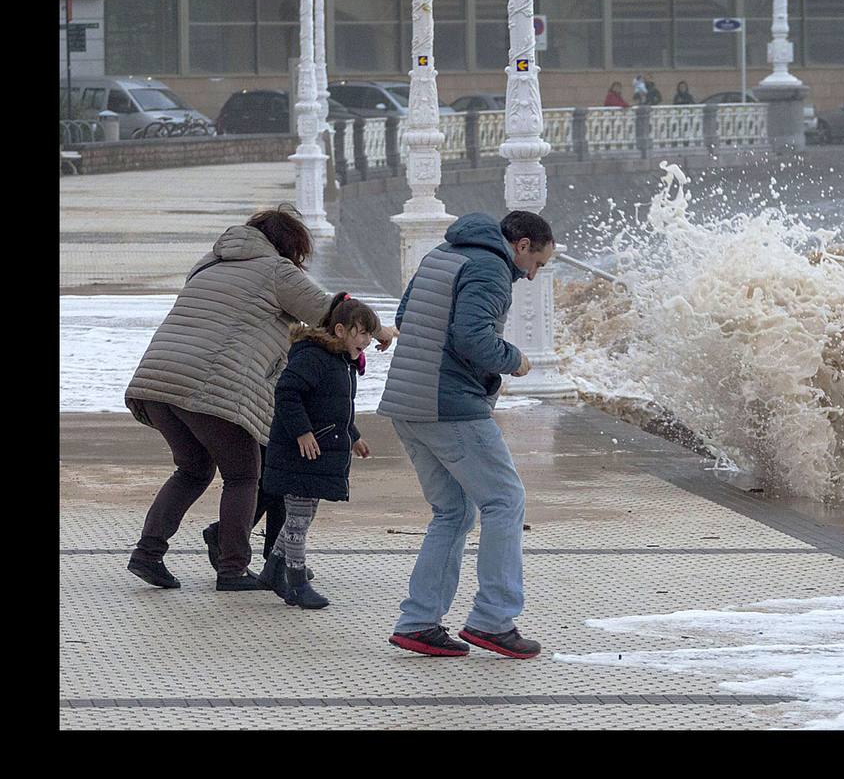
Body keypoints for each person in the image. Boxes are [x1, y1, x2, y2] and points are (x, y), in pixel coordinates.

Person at [123, 205, 397, 591]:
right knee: (243, 475)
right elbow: (332, 314)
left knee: (193, 469)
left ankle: (147, 554)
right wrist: (381, 331)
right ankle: (232, 569)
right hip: (210, 384)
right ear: (289, 246)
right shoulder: (276, 270)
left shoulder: (207, 263)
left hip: (158, 380)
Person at [380, 210, 554, 659]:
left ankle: (419, 622)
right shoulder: (491, 267)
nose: (532, 275)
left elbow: (405, 316)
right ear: (521, 246)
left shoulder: (443, 254)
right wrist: (513, 359)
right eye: (537, 263)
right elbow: (472, 338)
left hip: (406, 402)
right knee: (504, 500)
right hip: (448, 406)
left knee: (454, 511)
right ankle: (493, 620)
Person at [257, 293, 381, 609]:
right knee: (298, 518)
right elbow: (287, 393)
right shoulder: (314, 356)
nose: (367, 341)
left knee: (305, 513)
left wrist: (353, 436)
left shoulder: (340, 362)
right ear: (340, 331)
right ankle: (297, 583)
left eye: (370, 334)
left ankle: (273, 570)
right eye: (362, 333)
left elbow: (333, 409)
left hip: (316, 452)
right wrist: (302, 432)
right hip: (298, 453)